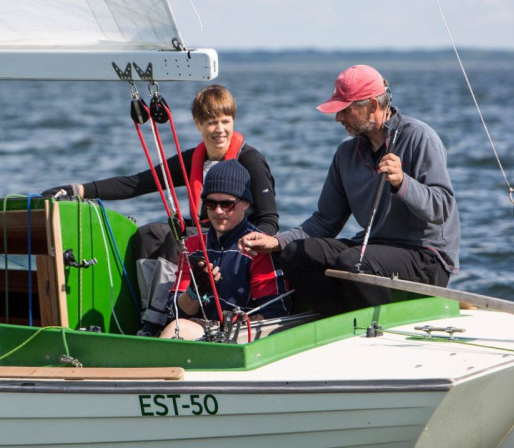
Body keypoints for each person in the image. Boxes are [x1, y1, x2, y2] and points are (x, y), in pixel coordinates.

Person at [42, 85, 279, 335]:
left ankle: (156, 323)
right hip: (208, 236)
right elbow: (138, 183)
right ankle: (149, 314)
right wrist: (78, 190)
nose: (219, 129)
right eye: (211, 122)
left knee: (175, 239)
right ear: (198, 124)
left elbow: (269, 220)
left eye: (225, 121)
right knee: (148, 234)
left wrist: (247, 251)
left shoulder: (251, 160)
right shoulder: (193, 159)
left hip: (237, 244)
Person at [238, 65, 460, 316]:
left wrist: (403, 183)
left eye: (345, 109)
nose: (338, 118)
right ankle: (344, 320)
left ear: (372, 106)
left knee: (353, 261)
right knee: (295, 254)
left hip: (426, 257)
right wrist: (277, 241)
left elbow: (442, 209)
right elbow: (325, 221)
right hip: (372, 250)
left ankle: (379, 325)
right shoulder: (346, 153)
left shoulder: (419, 137)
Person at [158, 160, 290, 340]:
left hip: (242, 338)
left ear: (245, 204)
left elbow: (275, 313)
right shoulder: (192, 246)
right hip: (200, 331)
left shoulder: (259, 247)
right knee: (177, 327)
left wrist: (229, 328)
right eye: (211, 204)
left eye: (227, 204)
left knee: (178, 329)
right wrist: (195, 292)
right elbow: (174, 313)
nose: (218, 211)